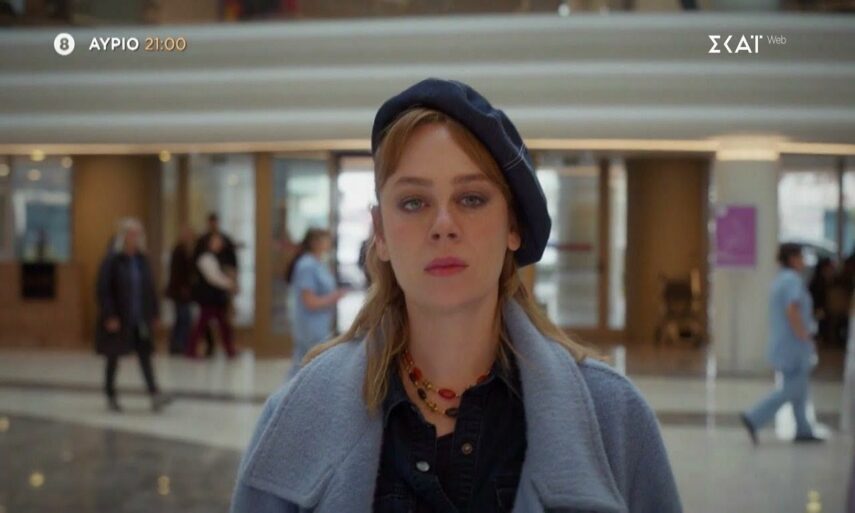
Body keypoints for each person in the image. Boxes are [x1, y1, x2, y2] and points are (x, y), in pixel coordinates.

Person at [230, 78, 680, 513]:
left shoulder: (613, 421)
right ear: (380, 233)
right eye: (413, 202)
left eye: (471, 199)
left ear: (513, 225)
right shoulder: (296, 418)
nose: (443, 225)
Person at [740, 243, 823, 444]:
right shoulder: (792, 280)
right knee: (794, 388)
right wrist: (804, 334)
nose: (804, 262)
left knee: (799, 388)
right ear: (792, 259)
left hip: (786, 343)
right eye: (801, 257)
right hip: (794, 344)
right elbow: (792, 310)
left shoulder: (781, 280)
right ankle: (754, 416)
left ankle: (803, 429)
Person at [95, 218, 170, 413]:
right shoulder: (113, 260)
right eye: (131, 234)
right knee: (113, 356)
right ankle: (110, 394)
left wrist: (154, 313)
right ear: (123, 236)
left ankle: (154, 393)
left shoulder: (141, 260)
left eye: (138, 234)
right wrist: (109, 315)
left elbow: (150, 289)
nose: (135, 238)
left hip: (140, 318)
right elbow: (104, 289)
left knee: (145, 354)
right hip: (119, 317)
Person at [284, 228, 347, 379]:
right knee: (305, 365)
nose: (329, 243)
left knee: (306, 366)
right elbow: (309, 302)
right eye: (326, 239)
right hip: (310, 325)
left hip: (320, 323)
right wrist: (334, 297)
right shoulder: (307, 265)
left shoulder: (318, 263)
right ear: (315, 243)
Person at [194, 212, 238, 357]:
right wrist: (229, 284)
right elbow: (214, 277)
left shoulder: (221, 253)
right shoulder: (205, 256)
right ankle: (193, 349)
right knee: (202, 325)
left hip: (218, 296)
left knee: (223, 325)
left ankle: (229, 350)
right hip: (208, 296)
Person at [165, 226, 196, 355]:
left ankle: (178, 344)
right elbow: (176, 272)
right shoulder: (178, 251)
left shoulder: (189, 251)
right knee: (183, 318)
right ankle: (179, 344)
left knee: (182, 319)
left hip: (184, 291)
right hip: (179, 291)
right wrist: (183, 288)